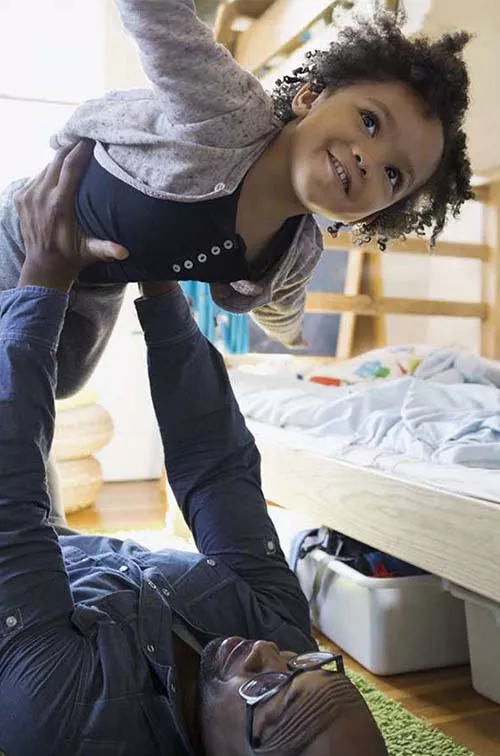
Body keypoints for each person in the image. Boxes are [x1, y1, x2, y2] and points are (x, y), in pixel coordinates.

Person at [0, 142, 388, 756]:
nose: (268, 656)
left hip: (13, 543)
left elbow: (8, 511)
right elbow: (216, 469)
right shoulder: (276, 631)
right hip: (54, 540)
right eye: (306, 668)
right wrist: (162, 281)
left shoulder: (65, 720)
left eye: (265, 699)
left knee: (16, 240)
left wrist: (44, 274)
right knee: (67, 342)